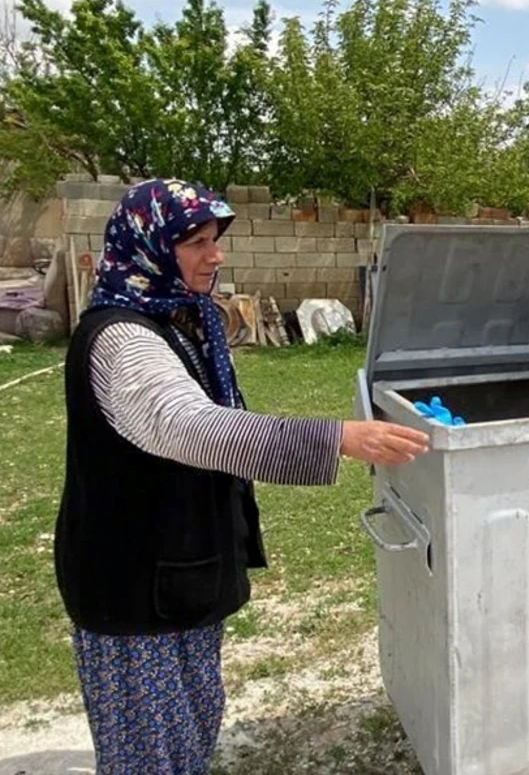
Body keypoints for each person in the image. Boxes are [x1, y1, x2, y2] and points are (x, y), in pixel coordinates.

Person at [54, 178, 430, 773]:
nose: (216, 254)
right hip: (130, 586)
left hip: (176, 575)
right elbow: (194, 428)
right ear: (150, 247)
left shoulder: (179, 320)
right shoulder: (122, 337)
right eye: (197, 242)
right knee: (151, 756)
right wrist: (336, 439)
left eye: (215, 239)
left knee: (191, 729)